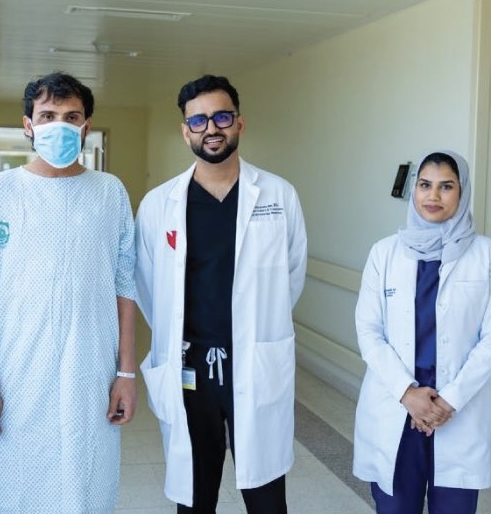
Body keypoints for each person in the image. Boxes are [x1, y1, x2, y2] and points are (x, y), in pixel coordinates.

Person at [0, 71, 138, 514]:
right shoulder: (0, 192)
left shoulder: (109, 193)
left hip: (89, 373)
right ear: (28, 125)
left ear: (86, 127)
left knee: (84, 484)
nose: (59, 125)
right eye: (48, 115)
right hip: (16, 375)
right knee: (12, 486)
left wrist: (126, 374)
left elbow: (125, 286)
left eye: (71, 117)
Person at [135, 74, 307, 513]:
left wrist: (254, 328)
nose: (211, 128)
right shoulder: (159, 204)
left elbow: (291, 275)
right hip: (189, 368)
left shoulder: (278, 195)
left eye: (222, 117)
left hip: (255, 363)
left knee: (267, 497)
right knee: (195, 496)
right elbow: (149, 286)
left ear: (240, 123)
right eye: (199, 121)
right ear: (185, 131)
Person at [352, 151, 491, 514]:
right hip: (398, 403)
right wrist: (407, 393)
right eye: (425, 185)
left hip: (458, 407)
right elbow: (369, 331)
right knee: (395, 507)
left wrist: (449, 400)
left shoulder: (487, 255)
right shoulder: (384, 253)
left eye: (446, 186)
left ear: (462, 192)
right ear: (414, 190)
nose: (433, 196)